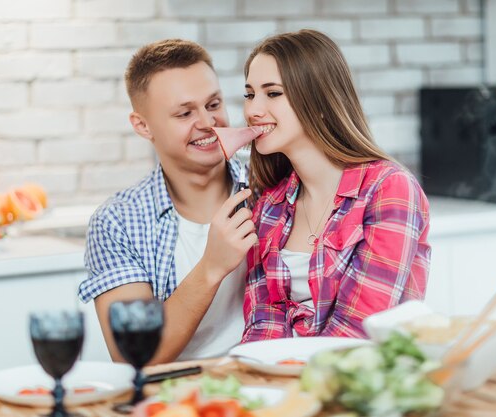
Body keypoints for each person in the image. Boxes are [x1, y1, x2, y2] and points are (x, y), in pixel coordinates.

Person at [241, 29, 430, 341]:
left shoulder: (389, 190)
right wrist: (262, 377)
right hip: (288, 379)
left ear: (319, 101)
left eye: (272, 93)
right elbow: (264, 322)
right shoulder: (269, 206)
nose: (252, 110)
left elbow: (358, 329)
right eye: (249, 94)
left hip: (362, 378)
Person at [78, 39, 257, 363]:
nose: (207, 122)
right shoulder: (117, 223)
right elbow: (133, 356)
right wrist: (211, 267)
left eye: (213, 104)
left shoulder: (270, 188)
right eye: (185, 112)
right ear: (143, 126)